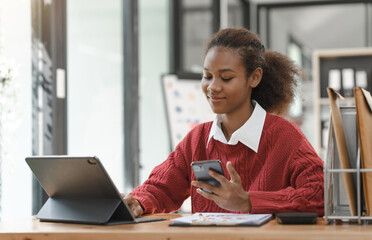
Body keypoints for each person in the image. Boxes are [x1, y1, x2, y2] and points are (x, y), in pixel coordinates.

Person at [124, 27, 324, 217]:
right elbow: (161, 188)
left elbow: (320, 195)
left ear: (254, 78)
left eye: (226, 78)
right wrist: (138, 201)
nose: (213, 87)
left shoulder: (285, 136)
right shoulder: (197, 139)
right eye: (207, 76)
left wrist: (248, 201)